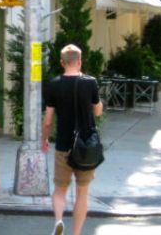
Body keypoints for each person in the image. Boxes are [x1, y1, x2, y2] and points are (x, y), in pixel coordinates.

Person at [42, 44, 103, 235]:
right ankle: (76, 233)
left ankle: (59, 221)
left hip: (63, 145)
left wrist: (44, 139)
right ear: (80, 61)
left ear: (62, 63)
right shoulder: (90, 82)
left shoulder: (53, 84)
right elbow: (98, 111)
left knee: (60, 189)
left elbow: (48, 120)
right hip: (86, 146)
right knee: (82, 192)